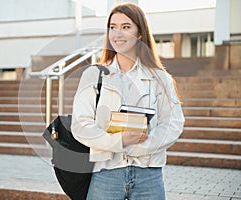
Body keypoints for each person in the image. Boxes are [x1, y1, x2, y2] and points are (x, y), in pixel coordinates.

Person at [71, 3, 185, 200]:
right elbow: (81, 125)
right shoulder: (94, 75)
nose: (117, 33)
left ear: (140, 33)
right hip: (106, 174)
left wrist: (139, 147)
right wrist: (119, 141)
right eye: (112, 27)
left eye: (126, 27)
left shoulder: (160, 78)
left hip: (148, 174)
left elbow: (173, 123)